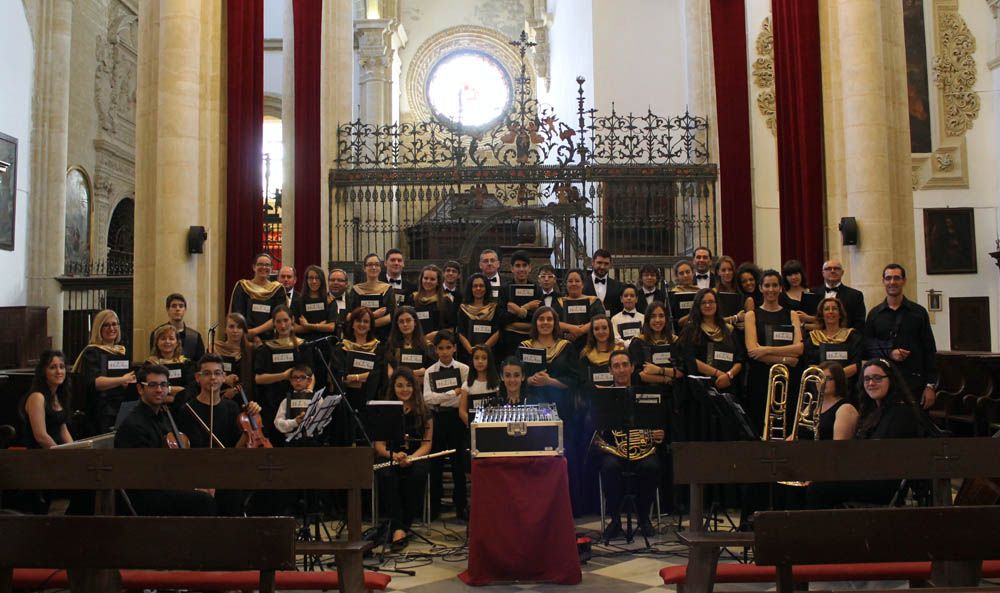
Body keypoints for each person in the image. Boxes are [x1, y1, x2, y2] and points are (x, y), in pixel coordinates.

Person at [806, 359, 922, 508]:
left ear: (891, 380)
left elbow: (882, 456)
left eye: (877, 378)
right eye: (867, 379)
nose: (871, 383)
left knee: (818, 488)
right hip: (867, 475)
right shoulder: (873, 412)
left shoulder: (900, 412)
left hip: (882, 483)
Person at [114, 362, 217, 515]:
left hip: (164, 484)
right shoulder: (134, 425)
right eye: (153, 385)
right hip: (146, 495)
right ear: (140, 389)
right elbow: (145, 473)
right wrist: (189, 486)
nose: (159, 390)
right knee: (204, 501)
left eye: (163, 385)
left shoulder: (163, 416)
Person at [177, 354, 264, 516]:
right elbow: (189, 453)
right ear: (198, 378)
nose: (213, 378)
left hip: (228, 472)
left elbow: (236, 449)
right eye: (207, 373)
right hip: (200, 475)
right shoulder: (187, 410)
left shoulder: (231, 408)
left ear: (224, 377)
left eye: (217, 373)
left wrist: (250, 427)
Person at [593, 350, 664, 540]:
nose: (621, 370)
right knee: (609, 467)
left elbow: (660, 422)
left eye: (625, 365)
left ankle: (643, 518)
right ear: (610, 370)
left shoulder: (647, 393)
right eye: (616, 366)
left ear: (632, 367)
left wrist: (659, 433)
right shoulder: (602, 396)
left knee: (651, 466)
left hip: (642, 449)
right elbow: (594, 427)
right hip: (614, 450)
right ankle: (615, 520)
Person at [374, 367, 433, 549]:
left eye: (408, 385)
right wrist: (394, 455)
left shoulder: (425, 412)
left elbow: (427, 444)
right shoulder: (383, 411)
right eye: (400, 386)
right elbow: (379, 446)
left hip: (416, 456)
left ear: (415, 387)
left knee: (418, 474)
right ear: (393, 388)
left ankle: (399, 527)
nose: (404, 389)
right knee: (386, 475)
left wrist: (412, 458)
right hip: (391, 455)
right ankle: (401, 528)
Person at [864, 263, 937, 409]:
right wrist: (890, 352)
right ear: (883, 281)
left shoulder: (919, 313)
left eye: (896, 278)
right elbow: (867, 347)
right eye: (888, 278)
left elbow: (929, 350)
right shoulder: (874, 314)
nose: (892, 282)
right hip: (884, 382)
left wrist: (930, 386)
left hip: (914, 382)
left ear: (904, 281)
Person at [743, 270, 804, 432]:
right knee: (760, 425)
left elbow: (799, 348)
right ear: (760, 288)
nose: (771, 289)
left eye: (775, 285)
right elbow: (752, 351)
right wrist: (786, 359)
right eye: (767, 285)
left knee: (787, 425)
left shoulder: (791, 314)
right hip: (761, 377)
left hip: (788, 379)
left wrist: (766, 350)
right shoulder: (751, 315)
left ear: (781, 288)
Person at [424, 330, 470, 521]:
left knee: (459, 465)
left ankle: (461, 508)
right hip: (438, 419)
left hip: (457, 419)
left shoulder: (464, 369)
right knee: (436, 464)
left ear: (455, 348)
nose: (444, 352)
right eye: (440, 348)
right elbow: (427, 399)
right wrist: (453, 393)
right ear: (435, 349)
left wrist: (443, 396)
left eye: (448, 347)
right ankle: (434, 508)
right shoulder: (430, 371)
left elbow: (466, 393)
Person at [254, 305, 312, 442]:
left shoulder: (303, 346)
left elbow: (311, 374)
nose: (283, 325)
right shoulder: (265, 349)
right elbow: (258, 378)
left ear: (292, 320)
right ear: (273, 323)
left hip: (298, 403)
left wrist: (308, 393)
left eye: (286, 320)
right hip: (271, 403)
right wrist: (283, 376)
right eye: (278, 321)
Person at [72, 309, 135, 434]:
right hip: (100, 411)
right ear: (98, 328)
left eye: (114, 324)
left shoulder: (121, 351)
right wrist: (122, 380)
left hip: (120, 407)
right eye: (106, 325)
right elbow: (95, 383)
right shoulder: (92, 352)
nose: (111, 328)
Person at [332, 306, 385, 441]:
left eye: (366, 321)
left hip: (370, 402)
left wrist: (355, 377)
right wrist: (364, 377)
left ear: (371, 325)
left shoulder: (378, 348)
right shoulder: (341, 347)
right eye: (358, 321)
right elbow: (339, 375)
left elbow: (378, 374)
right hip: (346, 403)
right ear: (352, 323)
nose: (362, 324)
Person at [20, 350, 73, 449]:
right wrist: (63, 456)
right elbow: (41, 436)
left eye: (62, 367)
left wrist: (75, 451)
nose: (59, 371)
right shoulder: (37, 397)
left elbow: (63, 430)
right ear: (43, 371)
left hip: (56, 452)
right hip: (39, 456)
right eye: (52, 367)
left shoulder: (58, 395)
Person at [230, 253, 288, 342]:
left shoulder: (278, 289)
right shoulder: (242, 287)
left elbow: (278, 317)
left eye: (267, 265)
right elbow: (237, 315)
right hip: (245, 338)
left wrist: (254, 332)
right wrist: (249, 335)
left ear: (271, 268)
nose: (264, 267)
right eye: (260, 264)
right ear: (254, 267)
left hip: (270, 340)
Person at [804, 297, 864, 380]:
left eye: (835, 308)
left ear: (840, 314)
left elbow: (856, 365)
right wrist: (827, 379)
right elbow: (811, 365)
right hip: (821, 384)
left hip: (848, 385)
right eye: (827, 309)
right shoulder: (813, 338)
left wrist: (834, 378)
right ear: (822, 315)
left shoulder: (852, 336)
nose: (831, 312)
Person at [499, 251, 543, 361]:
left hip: (532, 339)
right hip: (508, 341)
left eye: (524, 265)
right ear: (512, 268)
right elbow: (501, 318)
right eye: (517, 266)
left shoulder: (537, 289)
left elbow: (538, 318)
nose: (521, 269)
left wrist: (518, 310)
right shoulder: (504, 289)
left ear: (530, 268)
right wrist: (528, 308)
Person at [555, 268, 606, 352]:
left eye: (577, 281)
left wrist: (581, 331)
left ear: (583, 284)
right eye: (570, 281)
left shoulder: (594, 301)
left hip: (591, 345)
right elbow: (554, 321)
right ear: (566, 284)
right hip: (564, 346)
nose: (573, 284)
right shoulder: (558, 302)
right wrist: (571, 328)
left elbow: (601, 319)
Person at [348, 253, 395, 340]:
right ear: (364, 268)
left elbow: (391, 316)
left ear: (380, 268)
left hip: (381, 337)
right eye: (370, 265)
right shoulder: (355, 290)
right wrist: (373, 315)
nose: (373, 267)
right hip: (358, 337)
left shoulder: (388, 289)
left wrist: (367, 325)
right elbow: (348, 315)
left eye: (376, 265)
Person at [148, 293, 206, 362]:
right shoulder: (157, 333)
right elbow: (154, 357)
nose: (178, 309)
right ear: (168, 310)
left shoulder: (195, 337)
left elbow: (200, 363)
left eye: (181, 306)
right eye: (174, 306)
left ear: (185, 310)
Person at [456, 273, 500, 362]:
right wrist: (470, 349)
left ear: (486, 288)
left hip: (489, 354)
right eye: (475, 286)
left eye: (481, 286)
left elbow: (497, 331)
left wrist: (483, 349)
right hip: (468, 354)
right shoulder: (463, 308)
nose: (478, 289)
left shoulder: (494, 308)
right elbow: (460, 331)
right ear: (470, 289)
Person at [405, 264, 453, 343]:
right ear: (421, 279)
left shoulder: (446, 301)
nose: (428, 281)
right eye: (426, 278)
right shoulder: (412, 298)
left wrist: (436, 334)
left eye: (432, 279)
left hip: (438, 344)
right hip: (415, 343)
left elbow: (451, 328)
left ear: (438, 282)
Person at [812, 259, 865, 332]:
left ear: (842, 272)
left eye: (836, 268)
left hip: (846, 340)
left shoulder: (855, 295)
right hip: (817, 339)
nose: (832, 271)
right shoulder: (812, 293)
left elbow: (859, 324)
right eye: (828, 269)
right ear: (823, 273)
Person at [385, 306, 434, 383]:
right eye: (401, 321)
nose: (405, 324)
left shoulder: (427, 345)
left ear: (415, 322)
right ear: (397, 325)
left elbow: (432, 374)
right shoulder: (391, 345)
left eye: (408, 320)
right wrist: (412, 374)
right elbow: (390, 374)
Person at [292, 265, 337, 343]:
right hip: (304, 344)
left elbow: (331, 327)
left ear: (322, 280)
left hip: (324, 344)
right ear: (306, 280)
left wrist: (307, 325)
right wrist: (320, 327)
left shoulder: (329, 300)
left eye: (317, 278)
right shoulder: (297, 301)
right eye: (311, 278)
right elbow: (294, 328)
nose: (314, 281)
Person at [212, 312, 253, 399]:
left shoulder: (251, 350)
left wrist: (235, 390)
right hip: (218, 395)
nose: (235, 331)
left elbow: (251, 380)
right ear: (225, 329)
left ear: (244, 330)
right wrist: (225, 379)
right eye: (231, 327)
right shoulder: (215, 348)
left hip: (244, 397)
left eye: (239, 327)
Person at [815, 361, 859, 441]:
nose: (823, 382)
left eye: (828, 379)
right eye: (820, 378)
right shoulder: (812, 406)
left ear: (839, 381)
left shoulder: (846, 409)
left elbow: (838, 448)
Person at [459, 345, 501, 426]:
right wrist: (474, 425)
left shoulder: (497, 384)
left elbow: (500, 408)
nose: (480, 361)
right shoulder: (466, 385)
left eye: (484, 358)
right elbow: (462, 411)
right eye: (476, 358)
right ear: (472, 360)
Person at [273, 363, 316, 439]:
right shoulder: (286, 400)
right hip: (292, 441)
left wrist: (309, 419)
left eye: (302, 377)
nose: (298, 381)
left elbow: (325, 418)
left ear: (309, 380)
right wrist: (294, 422)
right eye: (295, 377)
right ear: (290, 381)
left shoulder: (316, 398)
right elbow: (278, 423)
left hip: (312, 440)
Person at [584, 249, 623, 316]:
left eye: (606, 264)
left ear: (610, 265)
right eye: (599, 263)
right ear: (593, 262)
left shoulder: (618, 286)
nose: (602, 267)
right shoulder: (582, 284)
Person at [328, 267, 350, 338]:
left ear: (346, 283)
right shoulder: (322, 300)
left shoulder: (352, 300)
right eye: (332, 280)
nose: (335, 282)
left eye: (340, 280)